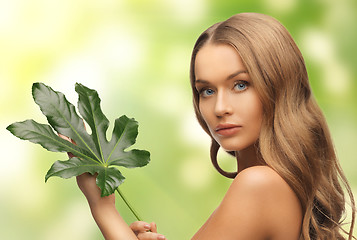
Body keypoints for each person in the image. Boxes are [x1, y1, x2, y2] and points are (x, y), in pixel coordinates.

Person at [71, 12, 356, 239]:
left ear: (279, 85)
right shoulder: (285, 185)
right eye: (206, 90)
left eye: (240, 85)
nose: (220, 108)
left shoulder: (258, 184)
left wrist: (103, 208)